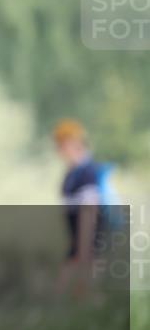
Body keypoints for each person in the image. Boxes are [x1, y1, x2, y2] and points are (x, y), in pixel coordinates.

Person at [51, 118, 119, 297]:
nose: (57, 149)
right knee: (73, 291)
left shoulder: (87, 172)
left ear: (74, 143)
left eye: (61, 143)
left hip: (87, 241)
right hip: (76, 241)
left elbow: (89, 213)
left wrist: (84, 251)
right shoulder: (71, 171)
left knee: (85, 291)